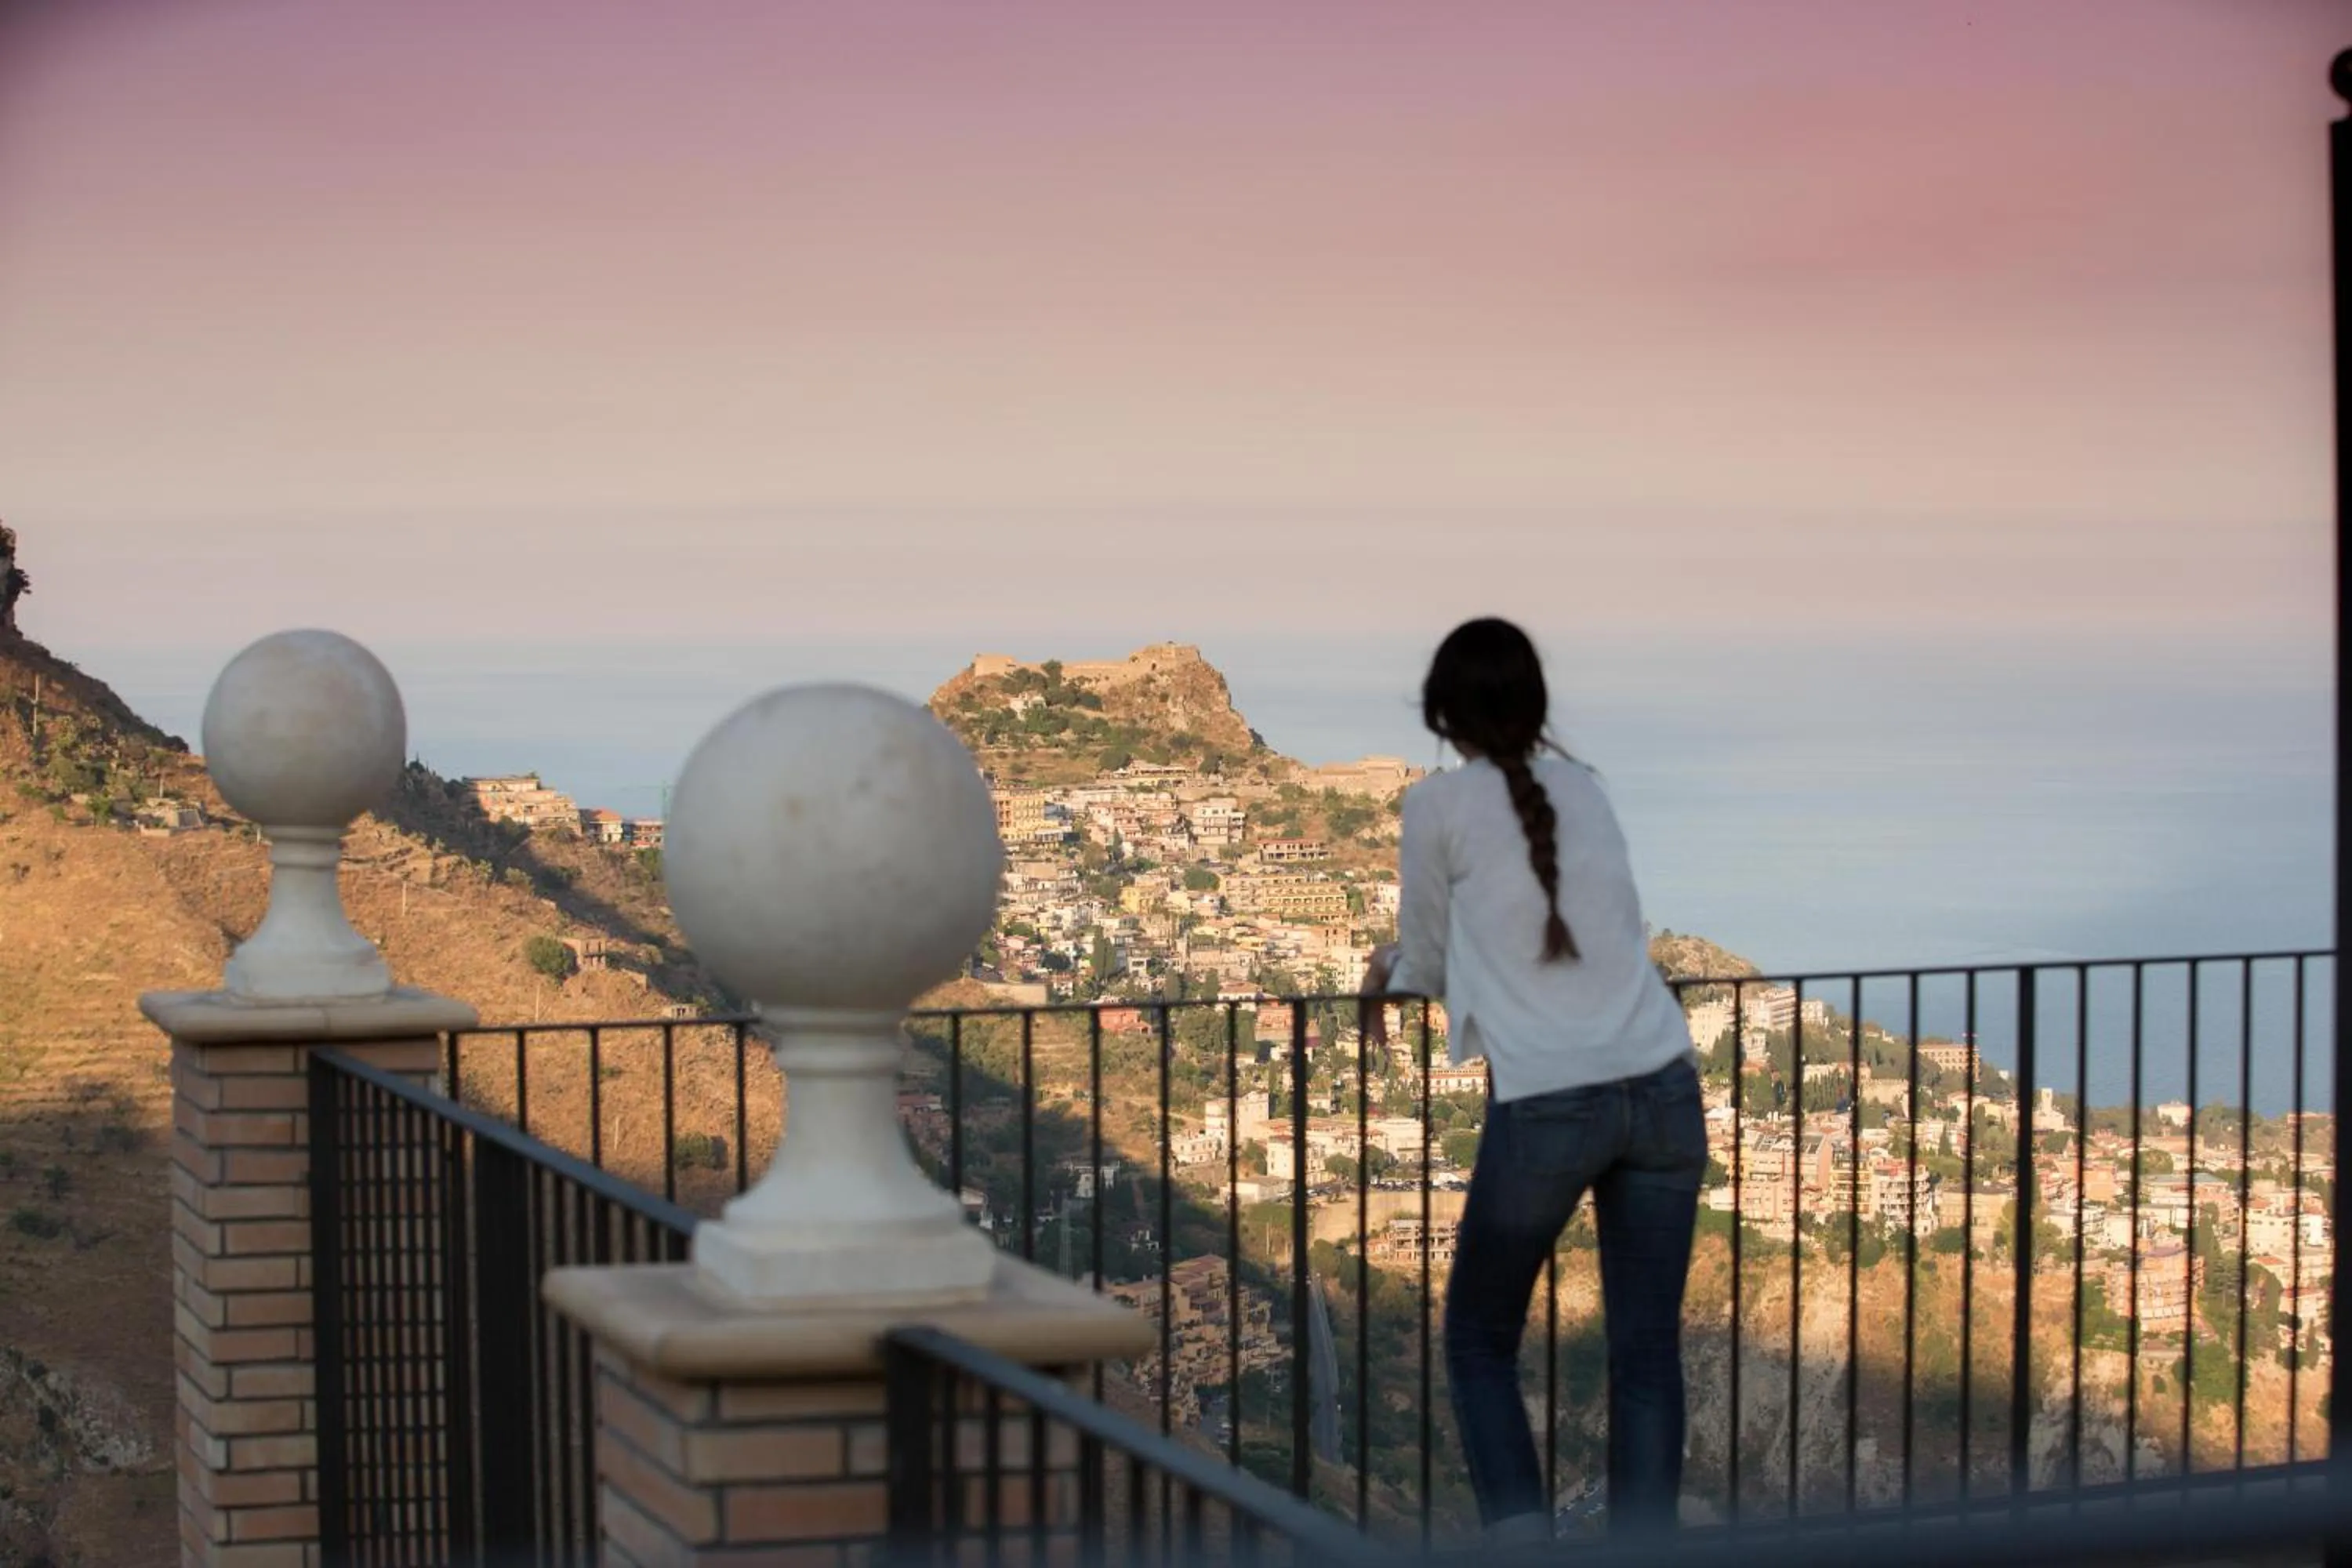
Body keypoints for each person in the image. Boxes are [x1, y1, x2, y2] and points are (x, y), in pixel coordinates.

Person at [1363, 616, 1702, 1544]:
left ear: (1442, 712)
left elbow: (1425, 961)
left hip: (1554, 1100)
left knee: (1478, 1340)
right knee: (1646, 1353)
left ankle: (1522, 1546)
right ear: (1537, 704)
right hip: (1666, 1085)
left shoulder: (1437, 807)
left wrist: (1381, 970)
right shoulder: (1585, 790)